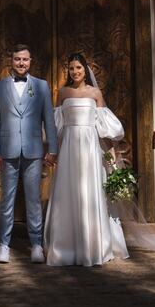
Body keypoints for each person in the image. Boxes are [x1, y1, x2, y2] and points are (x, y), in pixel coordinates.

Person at [44, 52, 129, 267]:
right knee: (68, 192)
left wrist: (112, 157)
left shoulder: (95, 93)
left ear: (86, 69)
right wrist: (53, 151)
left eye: (78, 68)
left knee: (90, 192)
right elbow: (57, 128)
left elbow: (105, 129)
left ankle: (93, 247)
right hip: (70, 149)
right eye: (71, 68)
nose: (75, 72)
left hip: (91, 149)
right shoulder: (62, 93)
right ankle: (66, 247)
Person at [0, 44, 58, 264]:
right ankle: (4, 245)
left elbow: (49, 118)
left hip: (34, 150)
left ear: (30, 61)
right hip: (7, 150)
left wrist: (53, 148)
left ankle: (36, 245)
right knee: (6, 200)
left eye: (25, 59)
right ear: (11, 61)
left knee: (33, 200)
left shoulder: (41, 86)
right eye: (18, 59)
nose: (21, 63)